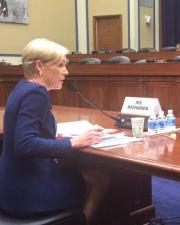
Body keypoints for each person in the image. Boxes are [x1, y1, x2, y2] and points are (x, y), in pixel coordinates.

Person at [0, 38, 109, 224]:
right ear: (40, 66)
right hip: (29, 194)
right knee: (99, 178)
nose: (66, 71)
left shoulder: (22, 88)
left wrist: (52, 138)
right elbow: (24, 144)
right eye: (60, 65)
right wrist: (74, 143)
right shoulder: (36, 93)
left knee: (87, 173)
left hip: (11, 188)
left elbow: (25, 133)